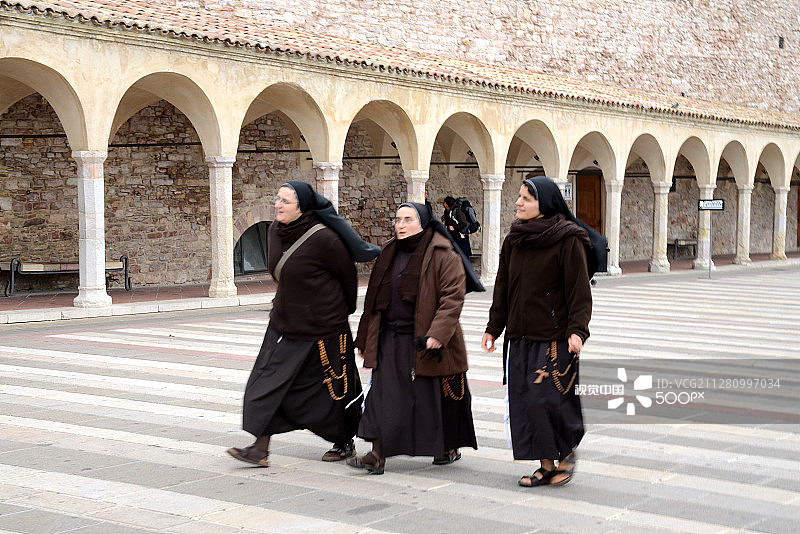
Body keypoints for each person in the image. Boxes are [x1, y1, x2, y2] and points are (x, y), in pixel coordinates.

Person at [227, 180, 380, 467]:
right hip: (284, 324)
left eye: (286, 201)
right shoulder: (274, 231)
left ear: (303, 207)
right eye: (278, 199)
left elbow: (348, 279)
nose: (278, 205)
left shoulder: (326, 239)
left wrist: (336, 314)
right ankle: (260, 449)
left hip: (325, 329)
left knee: (333, 390)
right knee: (265, 384)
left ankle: (345, 441)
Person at [348, 202, 484, 474]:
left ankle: (446, 447)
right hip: (390, 338)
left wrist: (437, 334)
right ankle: (378, 453)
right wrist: (365, 340)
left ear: (422, 222)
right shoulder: (389, 251)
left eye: (407, 219)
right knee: (381, 397)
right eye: (397, 219)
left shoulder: (443, 254)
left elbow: (452, 298)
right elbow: (374, 301)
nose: (400, 225)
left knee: (432, 400)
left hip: (426, 342)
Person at [481, 176, 592, 487]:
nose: (518, 202)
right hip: (520, 337)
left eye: (526, 198)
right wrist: (494, 327)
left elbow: (579, 292)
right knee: (527, 402)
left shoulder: (567, 239)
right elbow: (502, 288)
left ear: (544, 203)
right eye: (519, 197)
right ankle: (545, 464)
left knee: (550, 399)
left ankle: (566, 453)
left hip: (554, 338)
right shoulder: (513, 240)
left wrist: (577, 332)